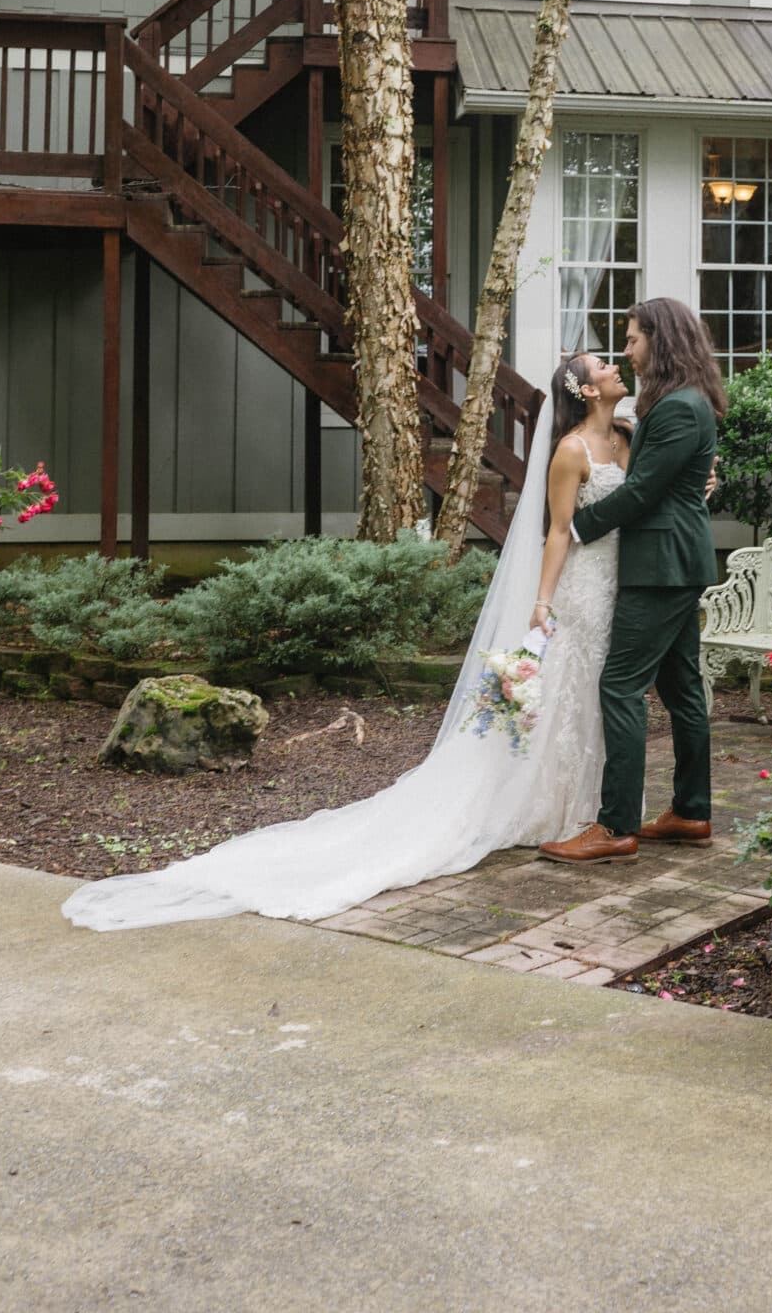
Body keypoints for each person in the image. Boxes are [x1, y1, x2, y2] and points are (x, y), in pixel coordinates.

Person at [60, 349, 634, 931]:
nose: (615, 366)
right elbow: (558, 531)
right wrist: (542, 601)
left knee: (590, 692)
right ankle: (554, 806)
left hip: (614, 588)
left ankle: (589, 803)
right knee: (562, 691)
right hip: (577, 590)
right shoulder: (570, 451)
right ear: (585, 391)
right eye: (603, 365)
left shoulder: (627, 441)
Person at [539, 297, 726, 867]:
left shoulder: (675, 409)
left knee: (620, 686)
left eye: (634, 338)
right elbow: (672, 481)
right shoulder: (671, 406)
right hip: (671, 563)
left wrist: (581, 527)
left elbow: (643, 491)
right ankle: (691, 811)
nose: (627, 349)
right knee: (681, 689)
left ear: (660, 341)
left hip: (660, 567)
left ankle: (615, 825)